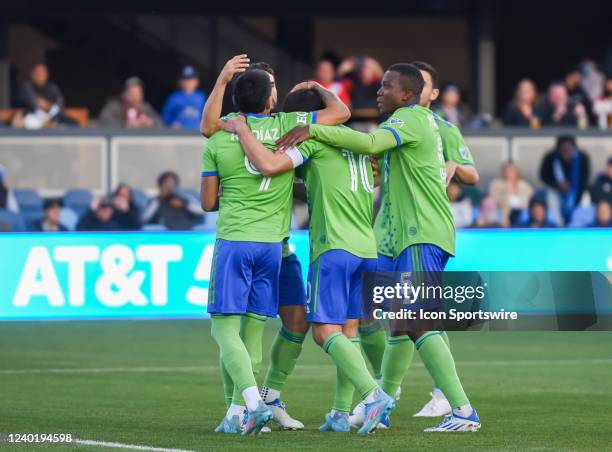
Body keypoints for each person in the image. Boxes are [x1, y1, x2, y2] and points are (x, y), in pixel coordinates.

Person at [276, 63, 481, 432]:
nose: (379, 91)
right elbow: (375, 160)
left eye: (386, 86)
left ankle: (460, 409)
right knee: (400, 322)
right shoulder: (407, 125)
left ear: (407, 95)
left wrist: (313, 129)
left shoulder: (412, 118)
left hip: (423, 234)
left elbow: (370, 143)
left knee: (418, 319)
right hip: (400, 238)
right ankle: (380, 403)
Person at [201, 56, 351, 433]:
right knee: (252, 333)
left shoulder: (222, 136)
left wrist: (237, 191)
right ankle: (238, 413)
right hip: (272, 244)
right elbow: (342, 112)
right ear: (270, 99)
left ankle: (251, 404)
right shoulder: (290, 125)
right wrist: (317, 88)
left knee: (225, 329)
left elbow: (206, 201)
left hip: (236, 239)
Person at [539, 135, 590, 223]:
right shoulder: (551, 158)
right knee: (550, 196)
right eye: (564, 149)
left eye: (569, 149)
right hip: (557, 191)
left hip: (577, 191)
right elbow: (543, 176)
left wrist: (573, 190)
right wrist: (557, 185)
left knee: (586, 197)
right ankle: (558, 225)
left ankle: (578, 225)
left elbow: (585, 179)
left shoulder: (582, 158)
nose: (567, 152)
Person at [98, 77, 163, 128]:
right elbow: (104, 124)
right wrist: (125, 125)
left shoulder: (145, 108)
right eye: (133, 93)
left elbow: (162, 125)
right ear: (125, 94)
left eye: (139, 93)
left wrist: (150, 123)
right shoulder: (113, 107)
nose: (136, 97)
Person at [489, 162, 534, 226]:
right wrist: (508, 188)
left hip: (521, 212)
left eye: (512, 171)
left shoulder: (525, 186)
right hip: (502, 212)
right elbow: (494, 200)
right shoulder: (496, 184)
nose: (509, 173)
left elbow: (529, 201)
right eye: (507, 171)